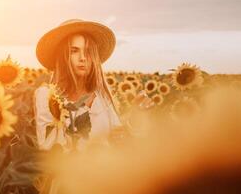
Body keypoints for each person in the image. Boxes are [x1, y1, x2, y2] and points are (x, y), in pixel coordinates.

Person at [33, 19, 154, 152]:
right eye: (74, 51)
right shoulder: (47, 96)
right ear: (62, 56)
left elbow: (118, 138)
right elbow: (48, 148)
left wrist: (135, 115)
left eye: (88, 51)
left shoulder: (101, 95)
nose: (83, 57)